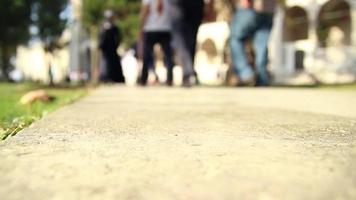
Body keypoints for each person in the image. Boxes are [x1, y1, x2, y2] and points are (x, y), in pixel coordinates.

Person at [139, 0, 175, 86]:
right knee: (168, 56)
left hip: (153, 28)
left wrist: (140, 28)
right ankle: (169, 79)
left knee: (147, 55)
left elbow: (144, 11)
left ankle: (143, 79)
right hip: (164, 28)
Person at [230, 0, 257, 86]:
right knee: (260, 45)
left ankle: (245, 73)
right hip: (268, 10)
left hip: (248, 8)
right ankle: (262, 77)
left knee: (236, 39)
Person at [180, 0, 205, 85]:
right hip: (193, 6)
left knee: (185, 42)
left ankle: (188, 72)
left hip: (188, 7)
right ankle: (189, 72)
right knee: (189, 41)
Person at [99, 10, 125, 83]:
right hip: (105, 50)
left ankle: (116, 78)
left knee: (114, 64)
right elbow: (101, 39)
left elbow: (118, 38)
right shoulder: (103, 27)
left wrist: (116, 45)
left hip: (113, 49)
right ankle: (105, 78)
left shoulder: (115, 27)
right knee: (105, 64)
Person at [253, 0, 276, 86]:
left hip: (259, 11)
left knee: (260, 45)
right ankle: (262, 77)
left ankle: (259, 76)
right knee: (262, 45)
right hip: (270, 12)